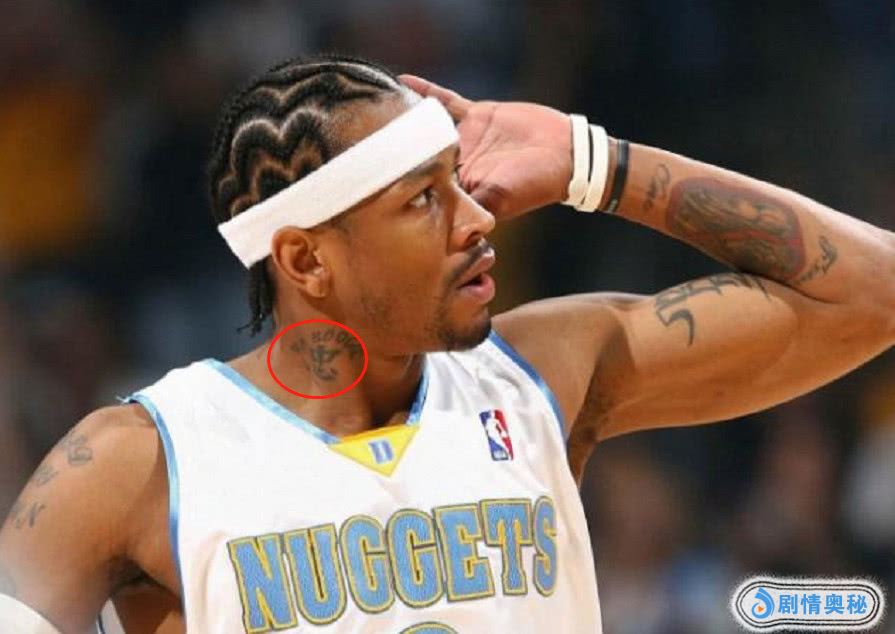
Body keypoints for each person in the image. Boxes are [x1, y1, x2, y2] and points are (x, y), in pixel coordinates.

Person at [1, 53, 893, 633]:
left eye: (457, 181)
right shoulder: (137, 462)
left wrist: (594, 163)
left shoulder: (543, 374)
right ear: (306, 259)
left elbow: (872, 295)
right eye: (424, 199)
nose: (477, 217)